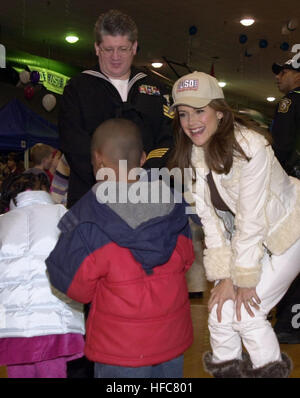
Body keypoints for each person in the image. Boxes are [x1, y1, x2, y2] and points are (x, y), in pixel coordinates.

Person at [168, 71, 300, 378]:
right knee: (219, 311)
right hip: (254, 241)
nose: (191, 122)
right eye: (184, 113)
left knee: (247, 313)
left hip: (288, 231)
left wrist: (241, 276)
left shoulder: (251, 147)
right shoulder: (194, 154)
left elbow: (250, 220)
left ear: (219, 111)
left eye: (199, 111)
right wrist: (223, 276)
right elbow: (211, 225)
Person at [46, 118, 194, 378]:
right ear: (144, 158)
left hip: (119, 350)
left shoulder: (87, 218)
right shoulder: (174, 204)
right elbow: (187, 259)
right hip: (171, 341)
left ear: (98, 160)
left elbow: (74, 287)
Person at [58, 9, 173, 209]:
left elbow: (168, 138)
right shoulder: (77, 89)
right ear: (96, 48)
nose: (116, 57)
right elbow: (74, 145)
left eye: (123, 49)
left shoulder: (155, 89)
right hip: (91, 198)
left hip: (146, 196)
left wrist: (141, 179)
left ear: (134, 47)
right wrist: (111, 182)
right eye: (108, 49)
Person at [0, 172, 85, 378]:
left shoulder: (3, 222)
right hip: (55, 321)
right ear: (46, 190)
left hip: (13, 325)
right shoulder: (62, 214)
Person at [270, 58, 300, 344]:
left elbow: (281, 147)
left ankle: (290, 321)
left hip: (294, 188)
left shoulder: (290, 102)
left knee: (288, 250)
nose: (279, 77)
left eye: (285, 71)